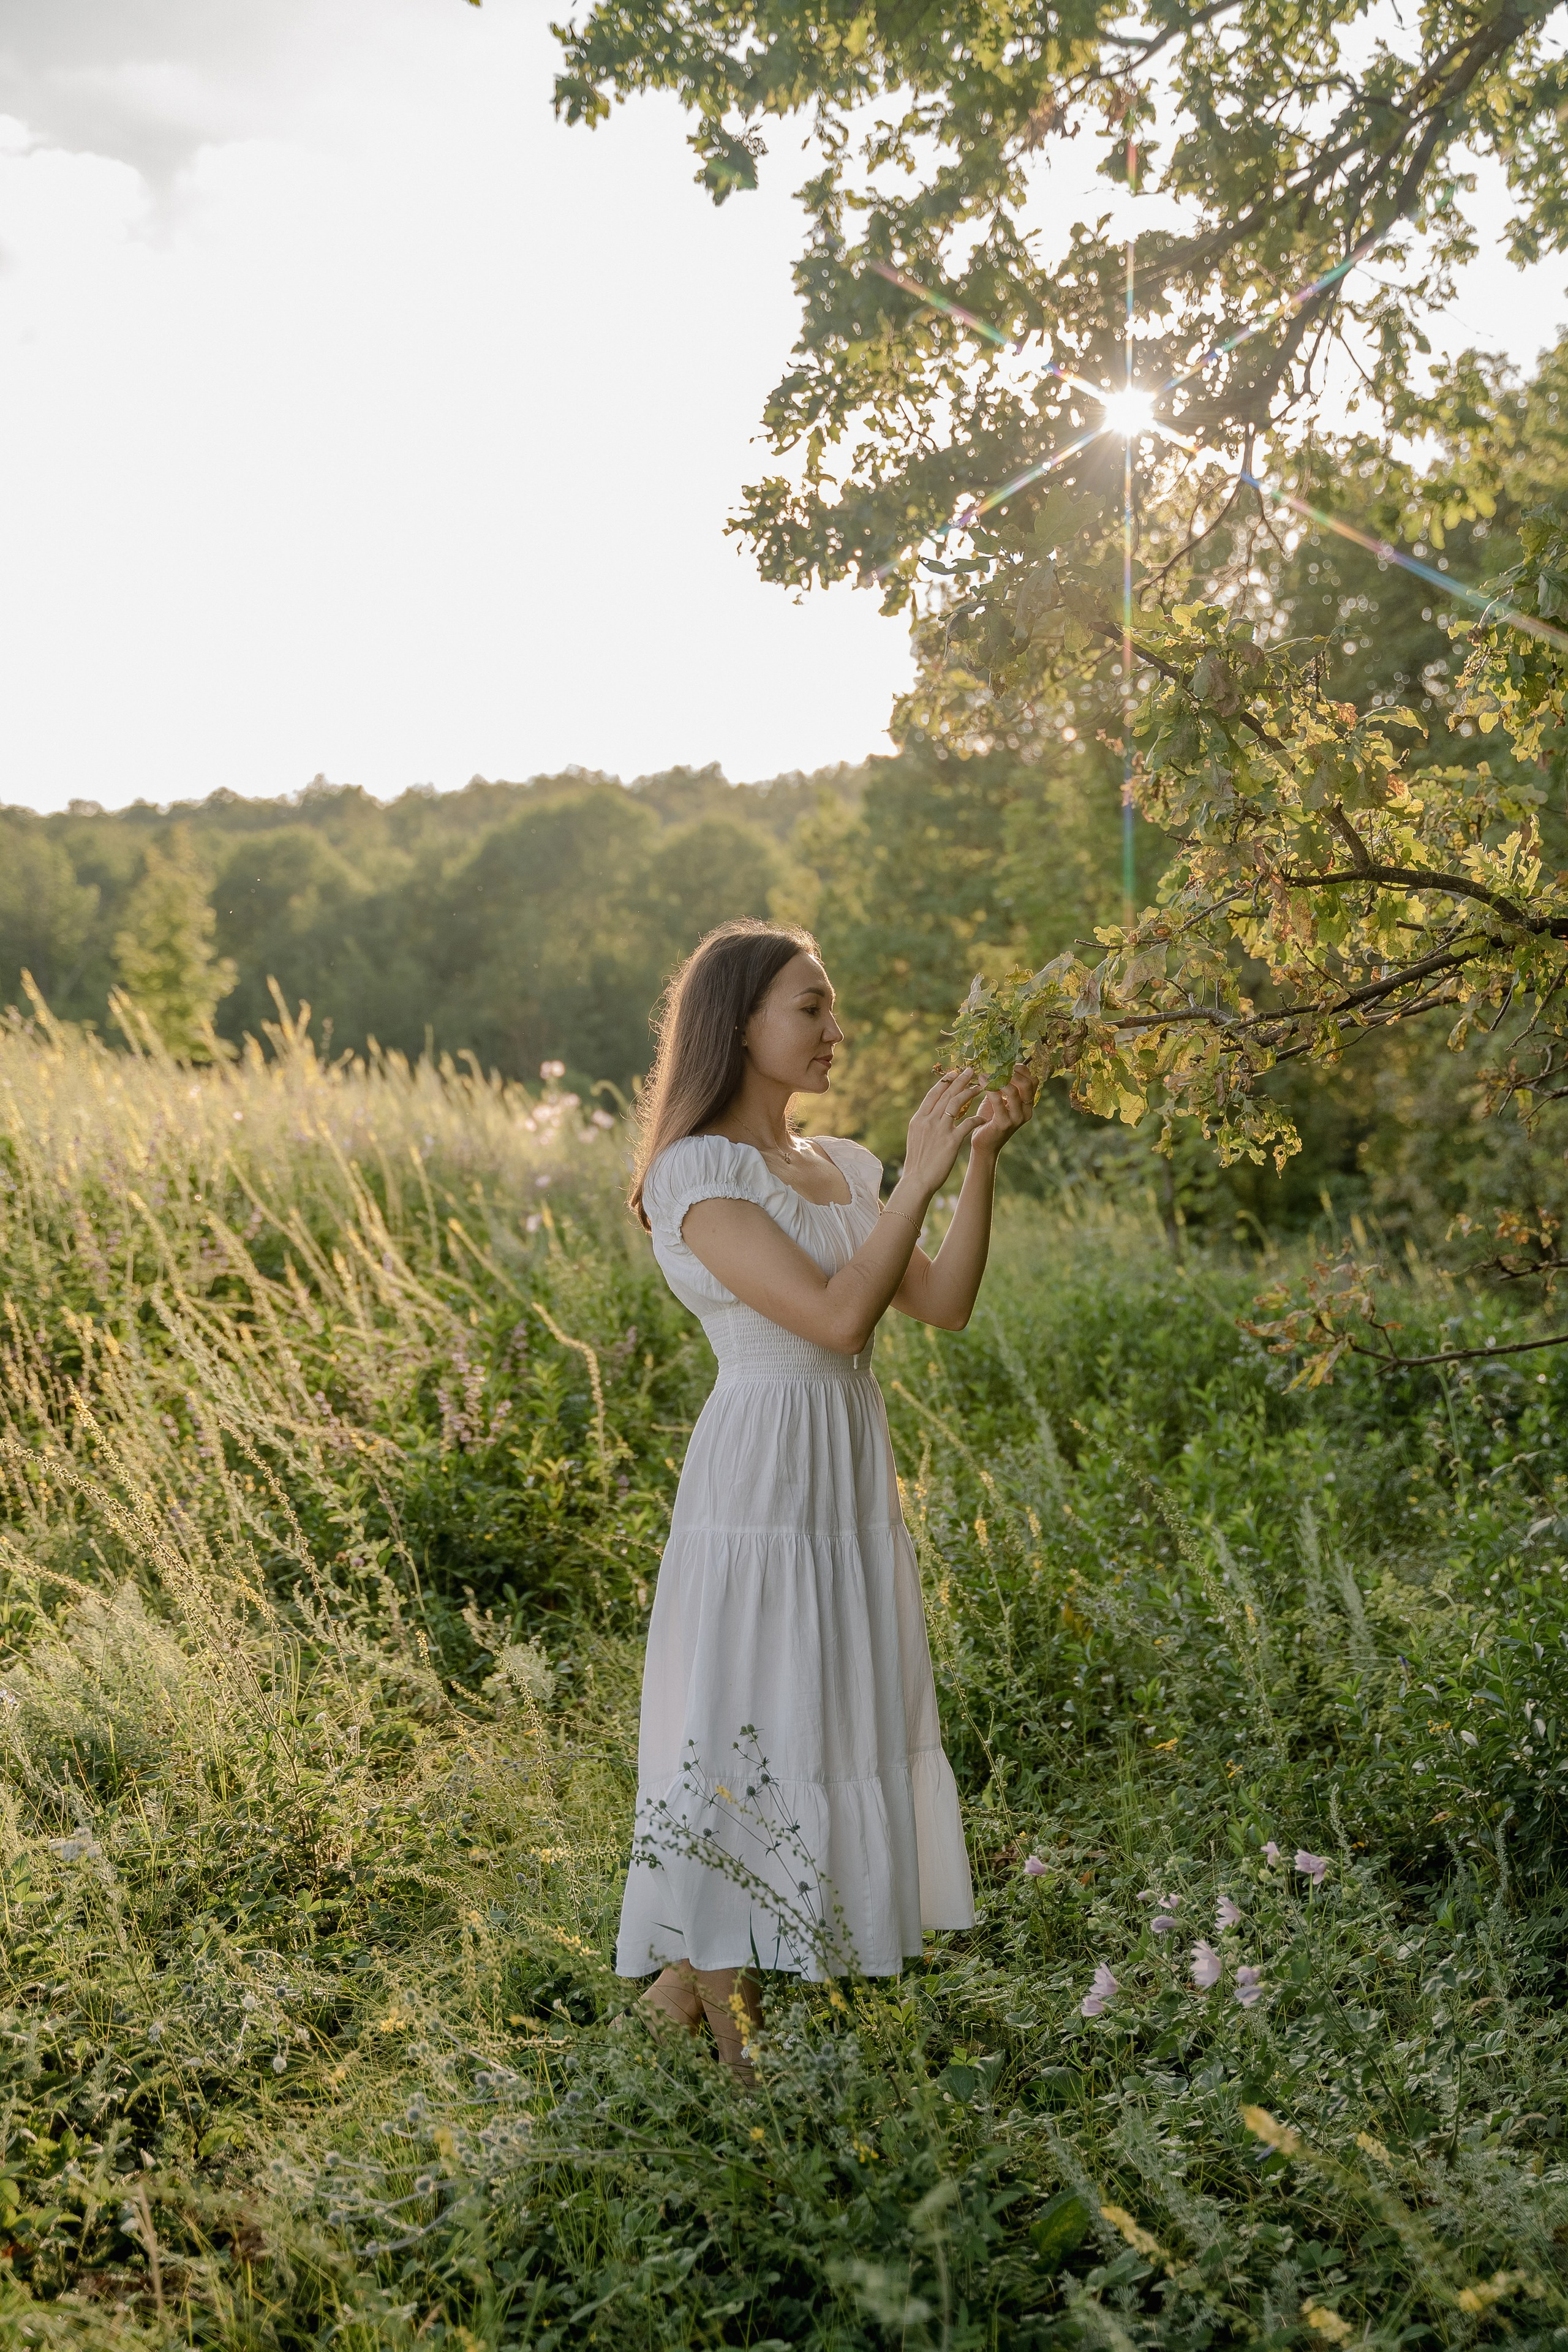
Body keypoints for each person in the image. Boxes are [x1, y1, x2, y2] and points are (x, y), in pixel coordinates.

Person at [616, 919, 1036, 2076]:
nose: (835, 1031)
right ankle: (746, 2088)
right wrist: (929, 1171)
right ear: (738, 1022)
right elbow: (838, 1317)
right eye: (811, 1008)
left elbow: (940, 1301)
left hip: (843, 1484)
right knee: (747, 1738)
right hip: (759, 1484)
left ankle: (646, 2058)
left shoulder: (844, 1168)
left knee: (815, 1724)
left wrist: (980, 1160)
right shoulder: (699, 1172)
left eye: (830, 1009)